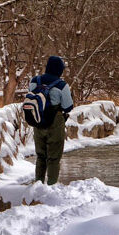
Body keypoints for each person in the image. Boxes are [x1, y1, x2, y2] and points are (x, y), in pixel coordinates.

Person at [29, 56, 73, 185]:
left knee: (41, 156)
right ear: (59, 70)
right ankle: (52, 186)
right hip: (55, 122)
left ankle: (38, 185)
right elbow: (68, 107)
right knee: (53, 158)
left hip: (38, 121)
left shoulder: (34, 81)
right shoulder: (62, 85)